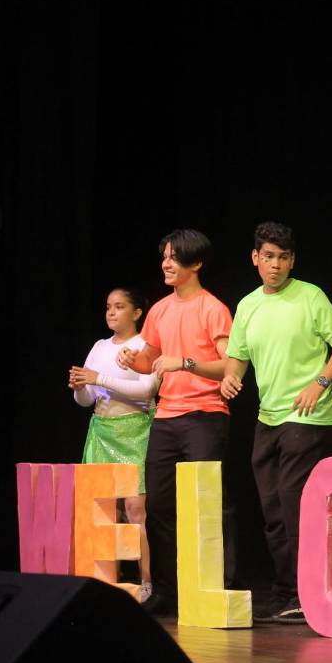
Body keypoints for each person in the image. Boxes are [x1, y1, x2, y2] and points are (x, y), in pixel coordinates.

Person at [221, 222, 332, 624]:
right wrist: (231, 377)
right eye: (268, 257)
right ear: (255, 259)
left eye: (282, 258)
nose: (275, 265)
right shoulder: (247, 305)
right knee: (273, 509)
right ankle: (287, 592)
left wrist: (320, 382)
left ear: (292, 261)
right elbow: (237, 357)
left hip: (309, 415)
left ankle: (306, 590)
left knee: (295, 502)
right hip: (269, 417)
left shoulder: (310, 296)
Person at [117, 229, 233, 617]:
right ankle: (167, 588)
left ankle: (218, 586)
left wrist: (184, 363)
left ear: (195, 263)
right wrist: (131, 361)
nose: (167, 263)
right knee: (161, 506)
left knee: (206, 503)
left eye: (175, 257)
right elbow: (149, 357)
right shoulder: (160, 310)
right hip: (165, 416)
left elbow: (228, 367)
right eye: (165, 256)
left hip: (204, 415)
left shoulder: (212, 308)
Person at [69, 288, 160, 600]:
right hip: (102, 430)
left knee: (135, 510)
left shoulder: (145, 347)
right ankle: (107, 580)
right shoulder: (99, 346)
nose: (111, 312)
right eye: (108, 306)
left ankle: (145, 581)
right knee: (103, 510)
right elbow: (85, 400)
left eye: (119, 307)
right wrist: (81, 386)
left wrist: (98, 379)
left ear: (136, 313)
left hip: (134, 430)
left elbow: (146, 390)